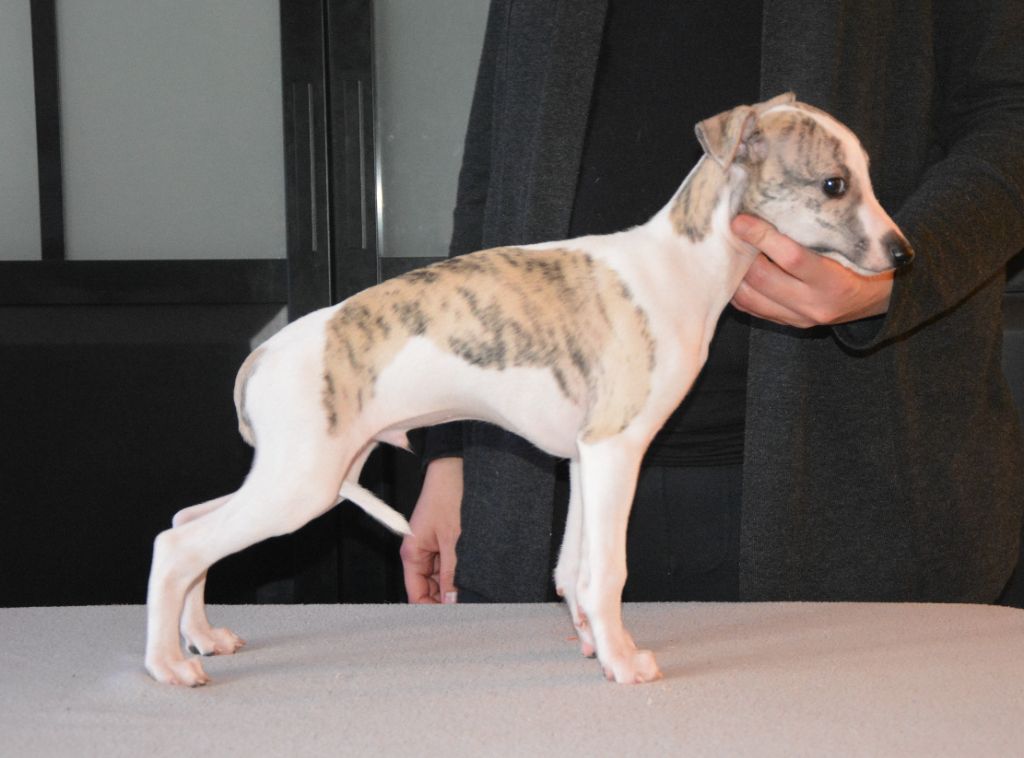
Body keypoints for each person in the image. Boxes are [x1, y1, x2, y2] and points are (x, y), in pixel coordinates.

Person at [399, 0, 1024, 606]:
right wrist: (454, 448)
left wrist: (899, 279)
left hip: (852, 483)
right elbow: (498, 160)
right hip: (535, 484)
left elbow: (1009, 110)